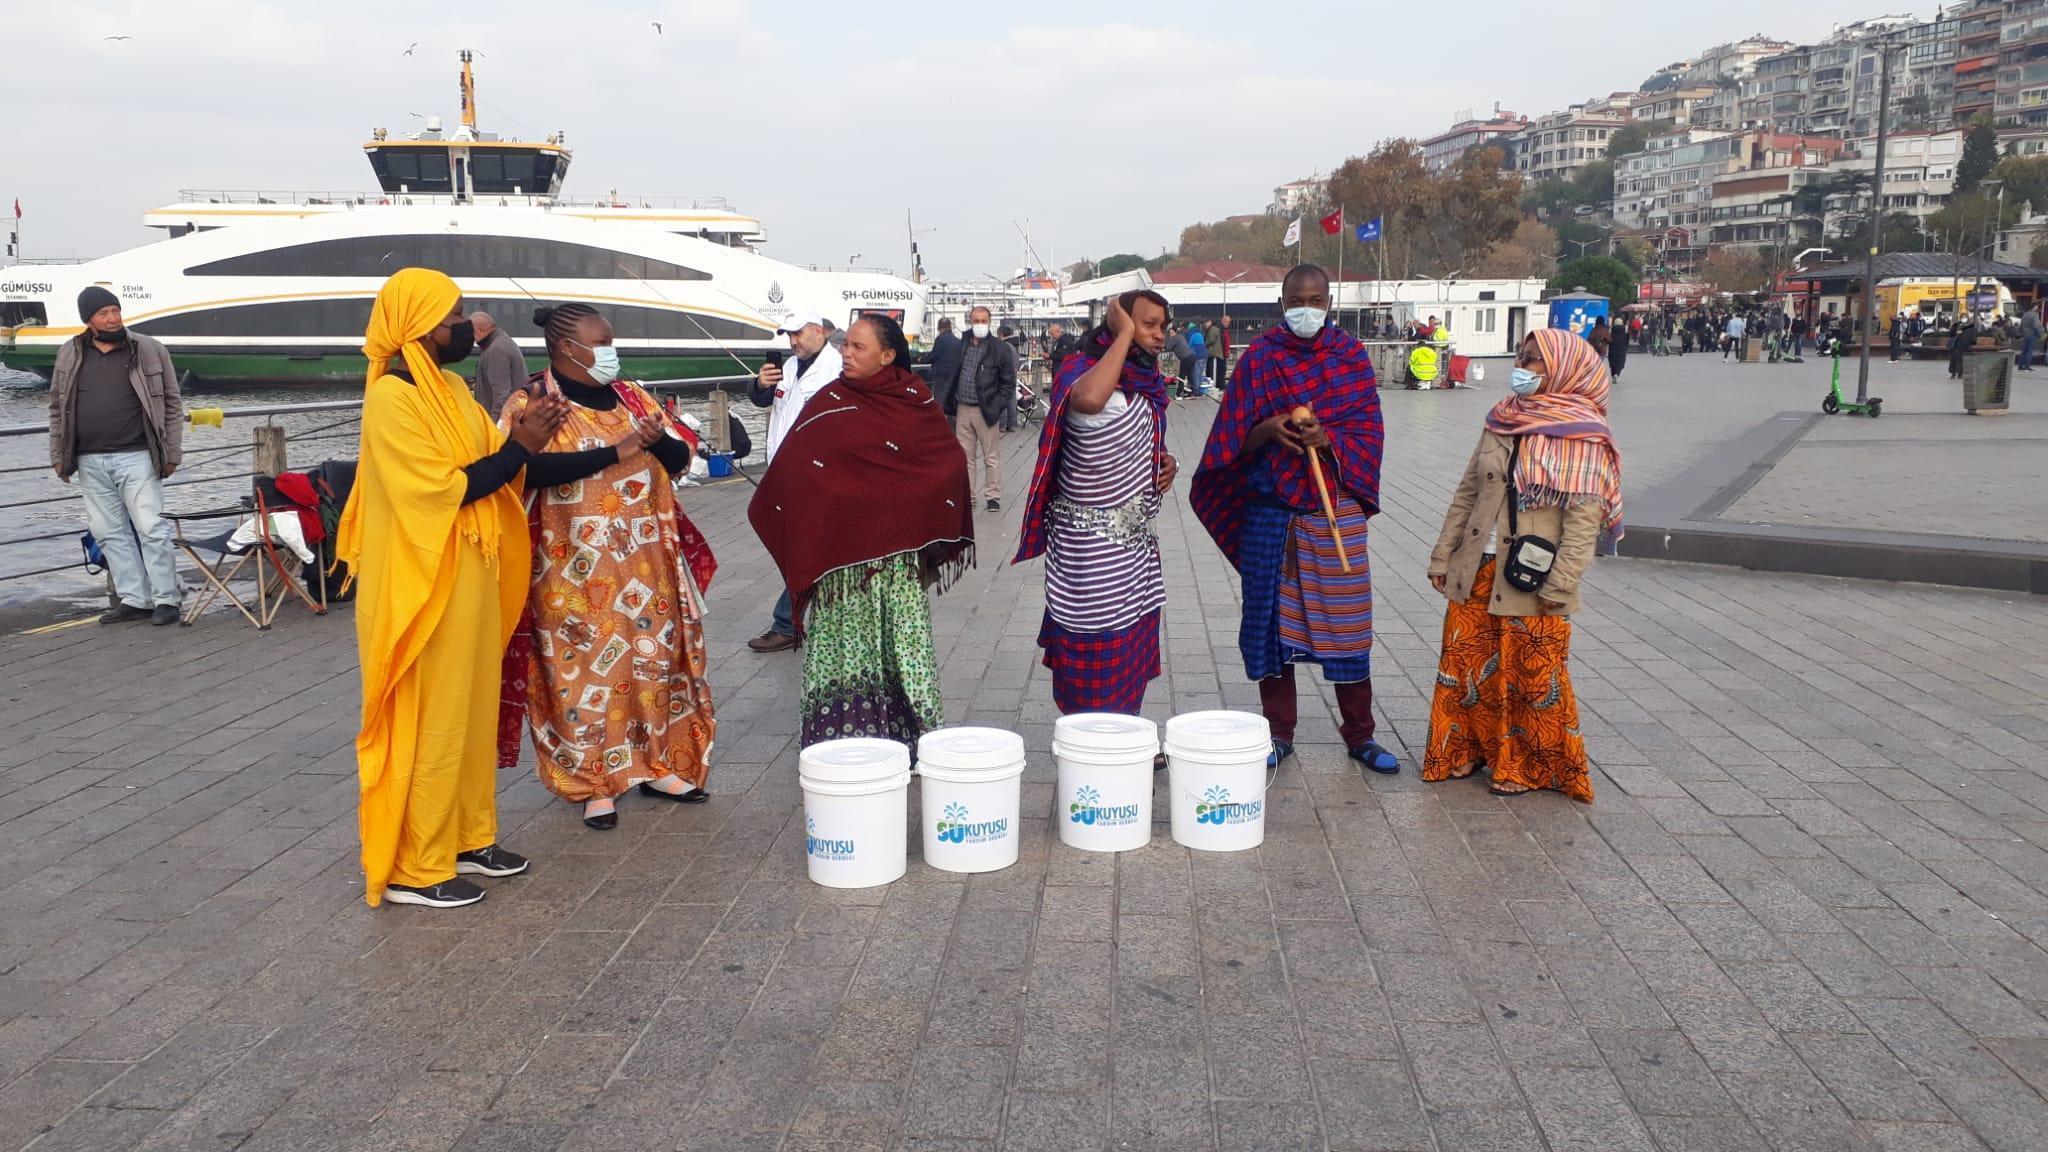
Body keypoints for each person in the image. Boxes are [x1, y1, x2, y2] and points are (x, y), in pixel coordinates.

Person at [337, 267, 569, 909]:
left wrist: (525, 435)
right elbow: (444, 487)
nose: (463, 327)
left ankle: (467, 836)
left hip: (472, 572)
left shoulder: (446, 386)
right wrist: (519, 449)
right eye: (450, 318)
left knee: (470, 711)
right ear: (416, 329)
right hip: (424, 578)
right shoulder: (394, 397)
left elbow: (487, 456)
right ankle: (416, 862)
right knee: (433, 717)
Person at [496, 303, 717, 831]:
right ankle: (595, 781)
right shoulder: (533, 402)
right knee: (580, 676)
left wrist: (652, 438)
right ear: (567, 348)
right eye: (602, 343)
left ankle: (658, 763)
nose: (610, 352)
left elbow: (680, 460)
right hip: (569, 572)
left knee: (653, 666)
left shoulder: (631, 396)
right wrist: (614, 452)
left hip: (648, 566)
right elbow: (519, 470)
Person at [1192, 264, 1394, 774]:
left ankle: (1361, 735)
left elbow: (1369, 430)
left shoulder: (1349, 356)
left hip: (1333, 512)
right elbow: (1231, 435)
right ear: (1282, 302)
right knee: (1267, 627)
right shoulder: (1260, 357)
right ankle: (1278, 732)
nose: (1307, 308)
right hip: (1271, 512)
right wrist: (1267, 429)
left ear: (1329, 301)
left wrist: (1330, 440)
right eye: (1296, 299)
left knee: (1347, 626)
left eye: (1316, 299)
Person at [749, 315, 973, 747]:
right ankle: (843, 739)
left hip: (896, 569)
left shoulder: (914, 398)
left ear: (887, 355)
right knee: (845, 649)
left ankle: (914, 736)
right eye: (844, 345)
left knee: (903, 649)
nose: (846, 353)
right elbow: (797, 466)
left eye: (857, 347)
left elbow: (946, 464)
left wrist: (900, 509)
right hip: (842, 567)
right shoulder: (831, 399)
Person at [1423, 328, 1619, 802]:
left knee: (1533, 676)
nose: (1523, 368)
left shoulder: (1585, 434)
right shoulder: (1501, 420)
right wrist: (1443, 555)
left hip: (1535, 578)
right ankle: (1462, 751)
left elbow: (1583, 521)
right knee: (1465, 665)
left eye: (1534, 361)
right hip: (1478, 566)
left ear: (1565, 370)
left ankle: (1528, 766)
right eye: (1522, 357)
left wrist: (1562, 584)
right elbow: (1468, 492)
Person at [1015, 290, 1175, 716]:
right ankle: (1090, 748)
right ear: (1117, 323)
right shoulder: (1082, 374)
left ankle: (1123, 742)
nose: (1158, 335)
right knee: (1094, 643)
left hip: (1135, 550)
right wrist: (1123, 334)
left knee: (1132, 651)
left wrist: (1166, 463)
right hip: (1088, 550)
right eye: (1147, 324)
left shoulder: (1147, 382)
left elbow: (1139, 444)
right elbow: (1087, 403)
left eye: (1163, 325)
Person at [49, 286, 184, 625]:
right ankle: (135, 599)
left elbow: (172, 403)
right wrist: (58, 455)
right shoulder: (69, 353)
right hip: (89, 459)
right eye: (103, 313)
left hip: (138, 455)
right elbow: (56, 407)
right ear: (88, 320)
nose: (112, 318)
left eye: (115, 310)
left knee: (151, 527)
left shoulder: (150, 349)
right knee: (109, 532)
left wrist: (173, 452)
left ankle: (166, 598)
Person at [746, 312, 842, 654]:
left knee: (806, 550)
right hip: (784, 472)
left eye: (798, 333)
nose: (792, 341)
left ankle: (787, 623)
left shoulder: (837, 369)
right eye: (788, 335)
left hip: (816, 476)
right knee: (805, 549)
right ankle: (808, 619)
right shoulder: (788, 367)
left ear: (819, 330)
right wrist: (759, 385)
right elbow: (764, 401)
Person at [934, 305, 1018, 513]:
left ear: (989, 322)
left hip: (986, 408)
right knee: (965, 456)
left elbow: (1008, 382)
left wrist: (997, 406)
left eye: (983, 320)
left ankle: (993, 496)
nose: (979, 324)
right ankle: (968, 495)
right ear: (970, 321)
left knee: (990, 456)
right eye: (976, 320)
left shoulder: (998, 348)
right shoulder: (963, 344)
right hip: (963, 407)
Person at [468, 310, 525, 415]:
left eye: (471, 332)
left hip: (501, 426)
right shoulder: (502, 341)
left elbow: (501, 399)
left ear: (480, 331)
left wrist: (494, 429)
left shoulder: (496, 350)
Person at [1185, 321, 1209, 395]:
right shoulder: (1200, 333)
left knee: (1195, 373)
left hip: (1198, 355)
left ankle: (1196, 390)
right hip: (1205, 354)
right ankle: (1200, 389)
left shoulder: (1191, 334)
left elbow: (1188, 345)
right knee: (1200, 373)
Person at [1203, 317, 1227, 384]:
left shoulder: (1213, 329)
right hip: (1212, 353)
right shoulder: (1213, 329)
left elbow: (1210, 340)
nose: (1205, 325)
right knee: (1211, 370)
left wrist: (1202, 346)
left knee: (1211, 371)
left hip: (1213, 353)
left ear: (1210, 322)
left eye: (1206, 323)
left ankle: (1212, 384)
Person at [1608, 314, 1629, 381]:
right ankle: (1617, 374)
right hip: (1622, 349)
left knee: (1613, 363)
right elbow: (1627, 341)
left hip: (1612, 349)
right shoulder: (1625, 331)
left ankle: (1613, 374)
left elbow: (1609, 339)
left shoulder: (1611, 330)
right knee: (1620, 363)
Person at [2021, 303, 2041, 371]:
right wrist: (2039, 334)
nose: (2037, 308)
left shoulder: (2025, 314)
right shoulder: (2035, 315)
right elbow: (2035, 326)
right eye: (2037, 307)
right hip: (2032, 335)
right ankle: (2027, 367)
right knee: (2029, 351)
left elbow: (2021, 325)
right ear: (2034, 307)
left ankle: (2020, 367)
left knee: (2024, 351)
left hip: (2025, 335)